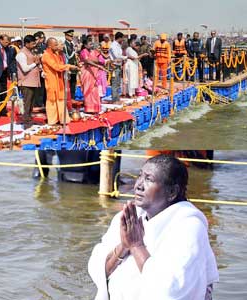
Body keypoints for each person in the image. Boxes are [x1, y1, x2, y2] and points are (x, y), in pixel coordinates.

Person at [88, 154, 219, 300]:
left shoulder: (189, 227)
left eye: (149, 179)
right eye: (140, 176)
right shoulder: (128, 217)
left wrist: (137, 246)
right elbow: (98, 270)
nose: (138, 185)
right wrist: (123, 247)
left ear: (172, 192)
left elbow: (172, 291)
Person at [41, 37, 79, 125]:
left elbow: (60, 65)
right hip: (52, 81)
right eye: (56, 45)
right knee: (52, 101)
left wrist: (67, 66)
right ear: (50, 46)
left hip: (59, 81)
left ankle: (62, 119)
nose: (57, 46)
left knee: (61, 100)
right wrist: (69, 66)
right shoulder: (46, 56)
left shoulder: (56, 54)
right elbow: (56, 67)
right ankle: (52, 120)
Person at [16, 35, 41, 129]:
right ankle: (26, 122)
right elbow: (25, 68)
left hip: (33, 82)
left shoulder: (30, 52)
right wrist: (36, 63)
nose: (34, 45)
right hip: (26, 82)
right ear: (26, 43)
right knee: (27, 103)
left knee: (31, 103)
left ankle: (29, 119)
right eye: (32, 43)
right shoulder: (21, 54)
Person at [79, 39, 106, 113]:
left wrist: (97, 63)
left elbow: (99, 60)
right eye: (90, 44)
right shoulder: (84, 51)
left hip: (93, 73)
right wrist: (97, 65)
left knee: (94, 90)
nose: (91, 45)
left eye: (92, 44)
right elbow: (87, 61)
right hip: (86, 73)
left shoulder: (91, 52)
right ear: (85, 45)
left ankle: (94, 108)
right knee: (88, 90)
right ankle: (88, 108)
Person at [109, 32, 127, 102]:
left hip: (118, 65)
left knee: (118, 83)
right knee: (114, 83)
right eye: (122, 38)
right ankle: (114, 99)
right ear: (119, 38)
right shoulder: (113, 45)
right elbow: (116, 56)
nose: (123, 40)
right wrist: (125, 57)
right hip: (114, 65)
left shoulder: (118, 45)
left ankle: (117, 98)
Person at [63, 30, 78, 101]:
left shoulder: (71, 44)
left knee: (73, 83)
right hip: (69, 67)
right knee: (68, 83)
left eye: (72, 36)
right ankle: (68, 99)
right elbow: (67, 56)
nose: (72, 37)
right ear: (66, 36)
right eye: (70, 36)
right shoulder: (65, 45)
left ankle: (72, 97)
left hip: (74, 67)